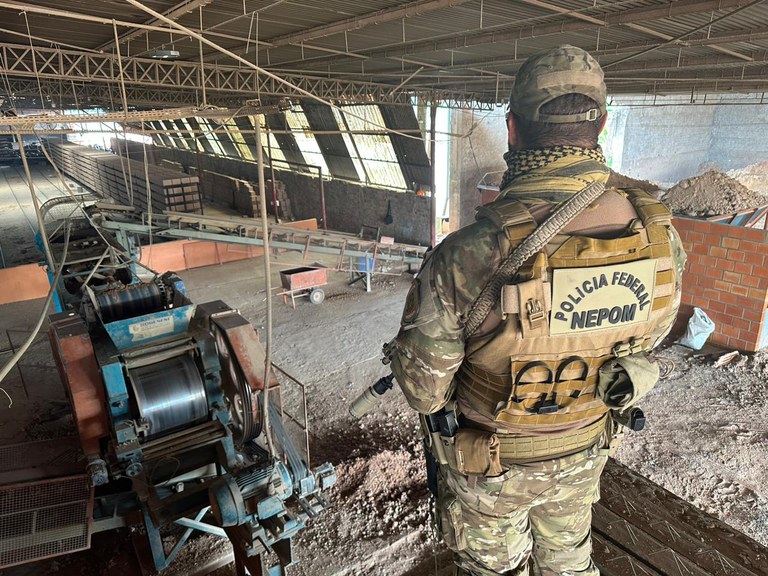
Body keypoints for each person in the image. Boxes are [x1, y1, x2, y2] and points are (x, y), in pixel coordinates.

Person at [388, 45, 686, 576]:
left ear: (512, 129)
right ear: (602, 123)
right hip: (585, 449)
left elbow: (424, 391)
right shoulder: (658, 234)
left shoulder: (467, 254)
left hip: (491, 465)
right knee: (569, 562)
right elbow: (652, 333)